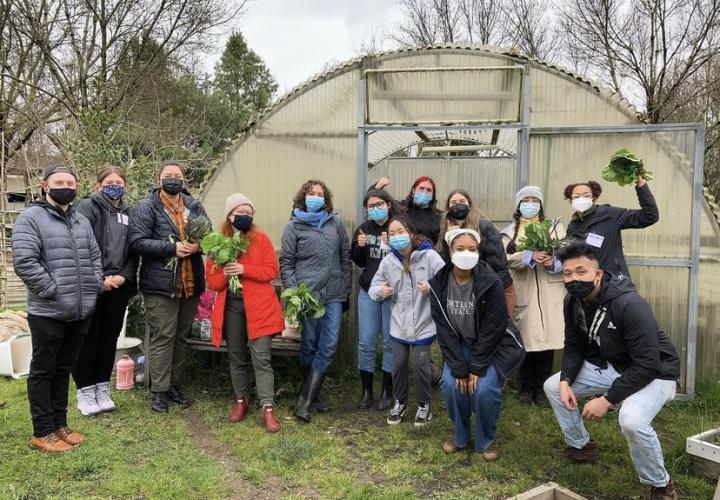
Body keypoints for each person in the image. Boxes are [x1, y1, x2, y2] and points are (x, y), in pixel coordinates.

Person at [543, 242, 680, 500]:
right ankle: (581, 447)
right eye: (568, 274)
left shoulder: (628, 304)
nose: (573, 279)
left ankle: (661, 485)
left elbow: (649, 363)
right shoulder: (572, 301)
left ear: (598, 274)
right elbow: (574, 346)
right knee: (553, 386)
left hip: (657, 372)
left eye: (581, 272)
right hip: (616, 365)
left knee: (632, 420)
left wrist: (607, 400)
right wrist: (566, 380)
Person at [12, 164, 104, 452]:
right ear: (44, 185)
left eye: (70, 182)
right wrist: (51, 291)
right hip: (48, 311)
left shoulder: (80, 220)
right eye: (59, 181)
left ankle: (60, 425)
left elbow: (94, 256)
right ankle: (42, 431)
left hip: (79, 310)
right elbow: (25, 261)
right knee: (43, 370)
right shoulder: (31, 218)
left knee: (64, 368)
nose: (66, 186)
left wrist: (93, 285)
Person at [429, 228, 524, 461]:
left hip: (493, 345)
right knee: (452, 385)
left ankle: (486, 440)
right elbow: (444, 330)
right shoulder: (438, 284)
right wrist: (460, 369)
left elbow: (494, 328)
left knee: (484, 388)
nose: (466, 253)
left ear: (479, 251)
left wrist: (477, 367)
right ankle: (460, 436)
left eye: (472, 249)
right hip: (459, 344)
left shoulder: (490, 282)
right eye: (460, 249)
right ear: (450, 251)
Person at [129, 160, 209, 413]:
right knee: (163, 337)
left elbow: (209, 235)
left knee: (180, 337)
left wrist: (199, 246)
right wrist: (171, 248)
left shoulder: (194, 206)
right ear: (159, 180)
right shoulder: (147, 208)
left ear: (184, 180)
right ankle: (159, 391)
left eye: (178, 175)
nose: (174, 179)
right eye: (169, 175)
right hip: (161, 285)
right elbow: (137, 242)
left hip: (190, 283)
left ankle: (174, 385)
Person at [205, 193, 284, 433]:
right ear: (229, 216)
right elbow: (212, 281)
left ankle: (267, 407)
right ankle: (241, 400)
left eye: (248, 213)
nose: (244, 217)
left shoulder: (260, 239)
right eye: (239, 213)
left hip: (259, 307)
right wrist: (226, 275)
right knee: (236, 355)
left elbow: (271, 271)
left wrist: (244, 268)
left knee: (262, 358)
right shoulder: (219, 242)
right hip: (232, 308)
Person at [279, 179, 351, 423]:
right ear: (303, 197)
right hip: (308, 295)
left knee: (329, 344)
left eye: (320, 194)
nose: (316, 197)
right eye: (312, 193)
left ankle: (304, 401)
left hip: (333, 294)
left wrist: (346, 289)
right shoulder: (293, 227)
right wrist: (294, 292)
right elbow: (286, 262)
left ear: (326, 199)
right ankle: (314, 395)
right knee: (309, 344)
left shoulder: (335, 224)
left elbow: (345, 258)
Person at [72, 165, 138, 416]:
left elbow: (133, 250)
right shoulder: (87, 208)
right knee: (87, 339)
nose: (114, 186)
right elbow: (78, 247)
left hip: (118, 287)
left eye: (119, 182)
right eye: (109, 182)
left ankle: (102, 387)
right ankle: (85, 391)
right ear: (98, 185)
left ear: (125, 185)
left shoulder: (128, 212)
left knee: (109, 339)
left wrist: (123, 277)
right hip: (92, 286)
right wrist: (99, 280)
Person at [368, 216, 445, 427]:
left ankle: (424, 405)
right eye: (392, 234)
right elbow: (373, 286)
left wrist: (431, 287)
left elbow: (446, 280)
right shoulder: (388, 261)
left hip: (423, 323)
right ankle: (400, 402)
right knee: (399, 364)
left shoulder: (429, 256)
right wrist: (380, 291)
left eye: (400, 232)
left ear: (410, 233)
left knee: (421, 365)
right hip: (398, 324)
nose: (397, 237)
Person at [500, 186, 565, 404]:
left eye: (534, 200)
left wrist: (553, 262)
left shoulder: (554, 228)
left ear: (541, 204)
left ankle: (544, 387)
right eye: (525, 200)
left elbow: (568, 253)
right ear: (518, 206)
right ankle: (526, 388)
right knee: (526, 339)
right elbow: (504, 259)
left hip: (550, 291)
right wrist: (528, 256)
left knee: (548, 340)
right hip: (524, 290)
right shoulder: (509, 233)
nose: (530, 204)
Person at [351, 189, 397, 410]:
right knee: (366, 342)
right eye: (371, 206)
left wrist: (394, 243)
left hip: (392, 292)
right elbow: (360, 262)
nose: (375, 209)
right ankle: (367, 391)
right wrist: (359, 247)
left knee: (389, 342)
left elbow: (408, 254)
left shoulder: (398, 226)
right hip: (368, 291)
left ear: (388, 205)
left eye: (379, 204)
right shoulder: (363, 229)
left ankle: (387, 392)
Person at [564, 177, 658, 281]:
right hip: (587, 285)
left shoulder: (610, 215)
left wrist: (641, 185)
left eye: (586, 195)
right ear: (571, 200)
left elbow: (649, 216)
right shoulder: (573, 225)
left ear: (594, 198)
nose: (581, 199)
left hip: (613, 282)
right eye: (576, 197)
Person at [436, 189, 514, 314]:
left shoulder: (484, 226)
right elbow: (445, 264)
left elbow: (498, 264)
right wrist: (449, 238)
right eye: (453, 202)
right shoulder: (444, 229)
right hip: (462, 291)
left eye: (462, 201)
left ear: (469, 204)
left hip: (491, 288)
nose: (458, 204)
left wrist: (496, 292)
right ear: (448, 208)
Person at [372, 176, 442, 243]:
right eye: (421, 188)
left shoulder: (438, 215)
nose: (424, 192)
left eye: (429, 190)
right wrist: (377, 188)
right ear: (413, 190)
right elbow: (375, 200)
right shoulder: (401, 208)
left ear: (433, 195)